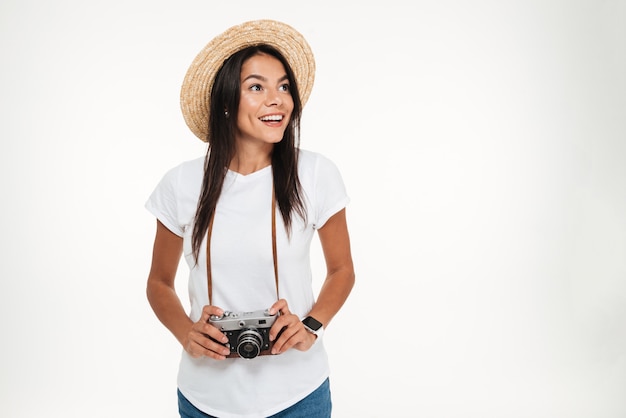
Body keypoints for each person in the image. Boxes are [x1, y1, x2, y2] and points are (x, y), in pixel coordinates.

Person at [145, 19, 355, 418]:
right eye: (257, 87)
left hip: (299, 394)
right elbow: (158, 282)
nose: (277, 99)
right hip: (205, 398)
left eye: (284, 86)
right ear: (227, 101)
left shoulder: (316, 174)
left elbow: (342, 269)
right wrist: (186, 333)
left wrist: (311, 324)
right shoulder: (182, 183)